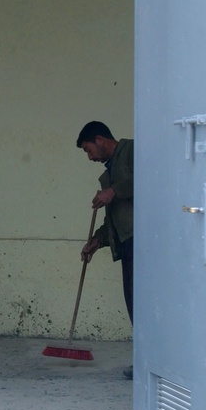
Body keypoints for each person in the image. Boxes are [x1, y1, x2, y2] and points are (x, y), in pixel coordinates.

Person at [76, 120, 134, 379]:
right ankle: (145, 360)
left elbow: (153, 177)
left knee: (144, 303)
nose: (89, 157)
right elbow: (114, 218)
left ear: (100, 139)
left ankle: (155, 361)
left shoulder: (133, 151)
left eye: (89, 150)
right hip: (127, 243)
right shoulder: (107, 174)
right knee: (134, 302)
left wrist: (114, 191)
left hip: (145, 240)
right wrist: (98, 241)